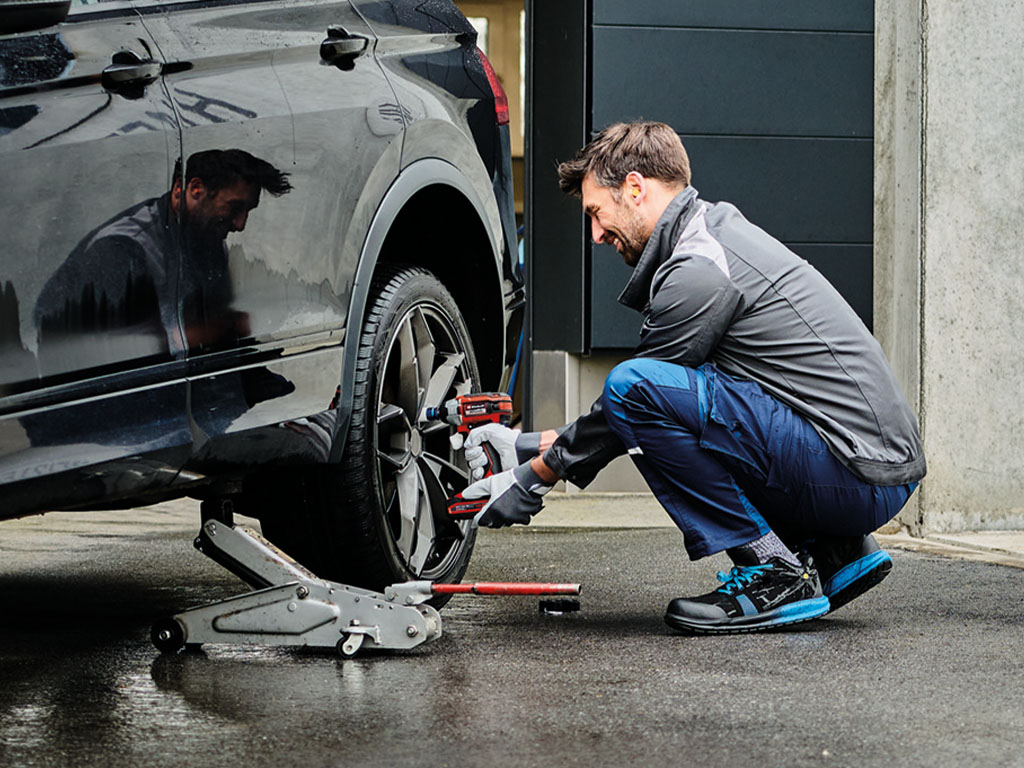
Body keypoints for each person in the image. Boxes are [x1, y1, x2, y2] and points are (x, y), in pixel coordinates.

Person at [459, 121, 926, 635]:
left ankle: (773, 571)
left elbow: (634, 400)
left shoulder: (699, 265)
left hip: (855, 474)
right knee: (673, 389)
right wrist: (530, 447)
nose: (594, 234)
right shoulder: (711, 235)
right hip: (863, 466)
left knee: (637, 386)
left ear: (635, 188)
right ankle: (834, 549)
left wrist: (536, 476)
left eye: (596, 212)